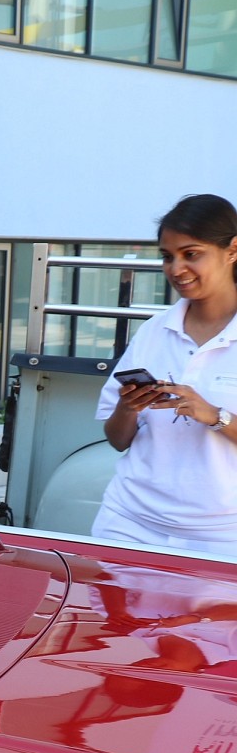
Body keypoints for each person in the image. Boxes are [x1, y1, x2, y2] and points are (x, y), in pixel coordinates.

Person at [91, 193, 237, 554]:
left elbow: (216, 417)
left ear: (232, 250)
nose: (176, 268)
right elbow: (117, 440)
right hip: (127, 522)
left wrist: (215, 415)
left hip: (223, 536)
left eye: (191, 254)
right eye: (167, 256)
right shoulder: (154, 331)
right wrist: (128, 408)